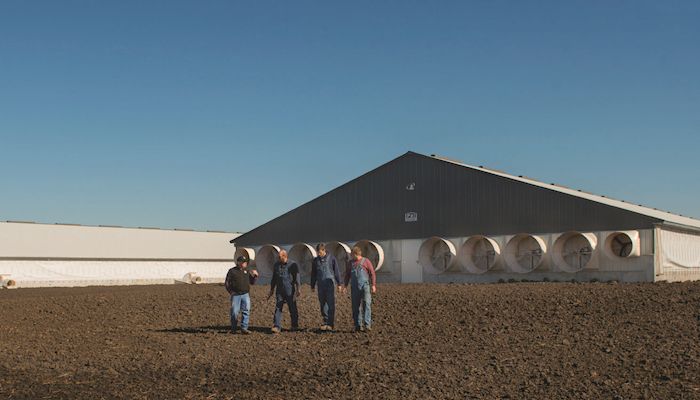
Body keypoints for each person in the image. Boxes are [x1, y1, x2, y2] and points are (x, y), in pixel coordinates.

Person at [343, 245, 377, 332]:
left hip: (365, 287)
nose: (351, 256)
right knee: (355, 307)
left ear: (355, 254)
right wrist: (345, 286)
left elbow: (372, 273)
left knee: (366, 304)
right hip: (354, 288)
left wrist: (373, 285)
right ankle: (357, 325)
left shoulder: (366, 261)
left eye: (352, 255)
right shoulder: (350, 263)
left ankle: (367, 324)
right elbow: (347, 275)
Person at [310, 243, 343, 332]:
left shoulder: (331, 258)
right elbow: (313, 274)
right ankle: (325, 321)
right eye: (317, 252)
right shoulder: (315, 261)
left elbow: (336, 271)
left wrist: (339, 283)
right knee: (322, 303)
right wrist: (312, 285)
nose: (318, 254)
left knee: (330, 303)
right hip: (320, 285)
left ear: (324, 250)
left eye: (319, 252)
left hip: (330, 284)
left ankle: (330, 324)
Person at [267, 249, 301, 333]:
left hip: (289, 289)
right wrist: (271, 289)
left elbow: (297, 277)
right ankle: (276, 326)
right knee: (278, 307)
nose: (278, 258)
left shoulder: (292, 265)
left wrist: (298, 288)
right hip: (279, 290)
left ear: (284, 256)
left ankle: (294, 325)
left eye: (279, 257)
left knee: (292, 307)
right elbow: (274, 278)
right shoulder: (276, 265)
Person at [224, 255, 259, 334]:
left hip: (245, 294)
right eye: (243, 262)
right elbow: (227, 283)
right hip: (236, 295)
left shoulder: (247, 271)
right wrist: (231, 292)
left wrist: (255, 276)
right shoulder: (232, 271)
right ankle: (234, 328)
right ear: (238, 262)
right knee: (234, 312)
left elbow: (252, 282)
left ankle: (244, 328)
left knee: (246, 311)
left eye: (245, 262)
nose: (245, 264)